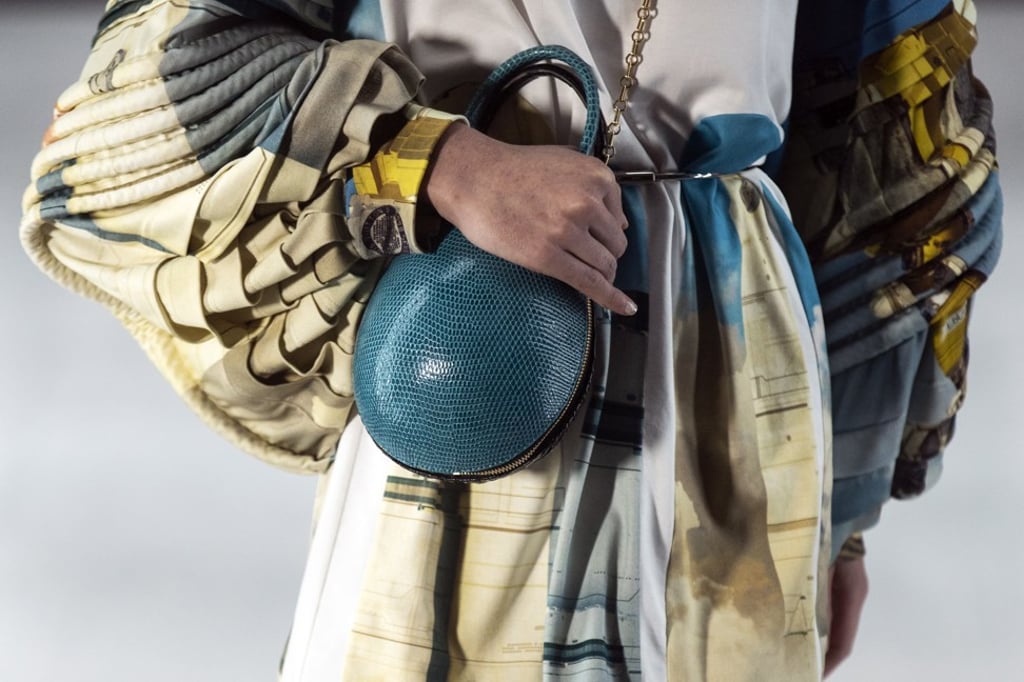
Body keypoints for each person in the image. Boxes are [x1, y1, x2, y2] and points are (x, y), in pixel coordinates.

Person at [19, 1, 1001, 680]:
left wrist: (843, 506)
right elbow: (163, 67)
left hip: (731, 352)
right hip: (477, 319)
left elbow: (882, 152)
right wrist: (439, 161)